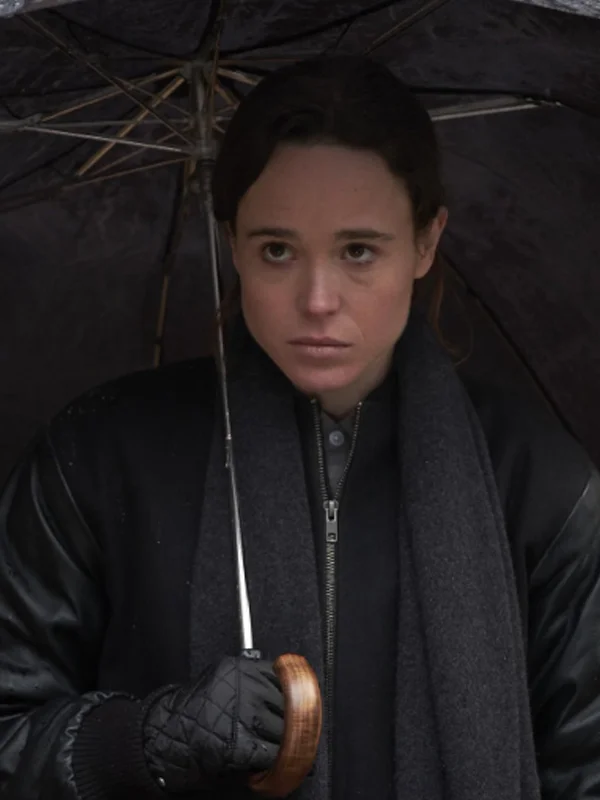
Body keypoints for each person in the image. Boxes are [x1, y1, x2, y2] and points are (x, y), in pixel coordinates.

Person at [0, 54, 599, 800]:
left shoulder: (539, 483)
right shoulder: (97, 457)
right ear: (233, 243)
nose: (317, 300)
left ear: (426, 240)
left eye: (358, 251)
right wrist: (145, 739)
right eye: (277, 250)